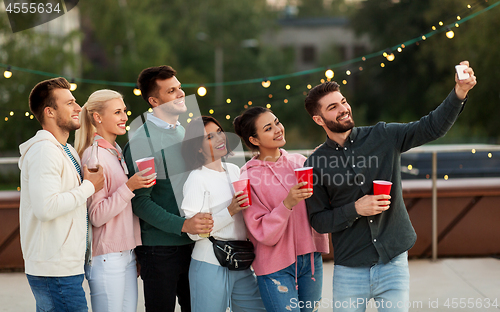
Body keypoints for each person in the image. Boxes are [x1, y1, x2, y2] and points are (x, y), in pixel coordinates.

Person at [304, 61, 477, 312]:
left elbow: (431, 127)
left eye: (343, 101)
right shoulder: (315, 163)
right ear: (318, 119)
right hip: (349, 269)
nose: (343, 109)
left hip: (393, 262)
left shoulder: (382, 136)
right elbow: (319, 221)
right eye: (333, 107)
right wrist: (355, 209)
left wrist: (459, 93)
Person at [123, 65, 212, 312]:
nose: (180, 93)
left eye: (179, 88)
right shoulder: (143, 141)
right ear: (154, 100)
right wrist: (183, 225)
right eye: (171, 91)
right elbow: (140, 201)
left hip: (192, 242)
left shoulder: (182, 131)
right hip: (160, 249)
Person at [18, 77, 104, 311]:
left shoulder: (66, 150)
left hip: (64, 266)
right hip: (54, 269)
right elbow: (46, 208)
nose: (78, 108)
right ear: (50, 112)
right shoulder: (45, 151)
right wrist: (89, 187)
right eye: (69, 103)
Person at [233, 107, 330, 312]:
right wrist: (287, 204)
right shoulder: (247, 177)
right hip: (275, 267)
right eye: (268, 128)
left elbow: (324, 200)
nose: (278, 129)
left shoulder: (300, 162)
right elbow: (260, 231)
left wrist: (322, 162)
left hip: (310, 259)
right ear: (254, 140)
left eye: (277, 122)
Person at [74, 90, 156, 312]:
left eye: (125, 111)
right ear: (98, 117)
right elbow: (97, 215)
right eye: (117, 112)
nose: (124, 117)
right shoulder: (94, 157)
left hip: (126, 254)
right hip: (107, 259)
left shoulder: (116, 152)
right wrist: (130, 187)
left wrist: (135, 249)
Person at [180, 116, 266, 312]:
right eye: (210, 137)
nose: (220, 138)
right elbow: (194, 233)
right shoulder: (196, 178)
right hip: (210, 263)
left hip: (240, 259)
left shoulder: (235, 170)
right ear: (198, 148)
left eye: (219, 132)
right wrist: (230, 210)